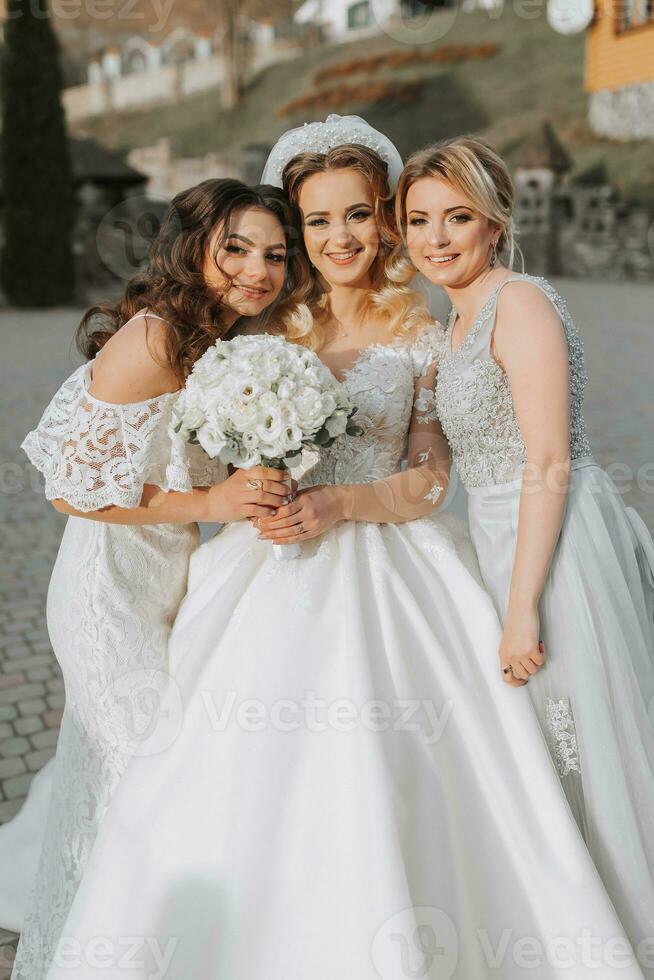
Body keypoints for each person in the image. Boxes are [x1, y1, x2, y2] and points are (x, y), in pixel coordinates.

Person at [39, 118, 645, 980]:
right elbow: (186, 450)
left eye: (358, 215)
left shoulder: (422, 333)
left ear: (385, 220)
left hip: (396, 566)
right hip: (264, 568)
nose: (339, 239)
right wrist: (247, 490)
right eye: (316, 223)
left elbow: (433, 480)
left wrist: (342, 501)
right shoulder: (252, 330)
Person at [7, 179, 306, 979]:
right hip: (107, 592)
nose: (257, 269)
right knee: (142, 777)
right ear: (192, 248)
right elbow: (70, 484)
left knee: (125, 779)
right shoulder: (154, 337)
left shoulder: (225, 340)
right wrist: (213, 499)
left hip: (168, 581)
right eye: (235, 248)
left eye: (275, 254)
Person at [397, 134, 654, 953]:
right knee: (540, 742)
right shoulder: (457, 312)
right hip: (499, 534)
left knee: (581, 732)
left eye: (457, 218)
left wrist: (522, 609)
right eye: (419, 220)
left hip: (556, 542)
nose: (436, 238)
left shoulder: (522, 302)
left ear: (496, 220)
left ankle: (624, 925)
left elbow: (547, 460)